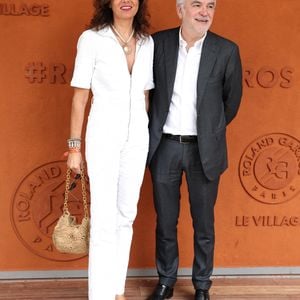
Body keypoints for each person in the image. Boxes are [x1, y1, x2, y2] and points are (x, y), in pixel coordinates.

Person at [147, 0, 242, 299]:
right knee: (165, 221)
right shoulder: (157, 44)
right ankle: (166, 281)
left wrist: (210, 131)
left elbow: (231, 102)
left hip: (205, 150)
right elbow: (146, 91)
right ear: (180, 10)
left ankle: (202, 285)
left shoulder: (226, 50)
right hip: (165, 148)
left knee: (204, 223)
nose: (204, 12)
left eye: (210, 6)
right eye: (196, 5)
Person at [66, 0, 154, 299]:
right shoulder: (92, 39)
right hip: (103, 136)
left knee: (126, 214)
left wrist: (143, 133)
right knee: (103, 219)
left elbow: (144, 95)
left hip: (137, 139)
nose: (126, 0)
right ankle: (99, 295)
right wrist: (74, 146)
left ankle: (116, 290)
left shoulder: (147, 43)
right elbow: (80, 97)